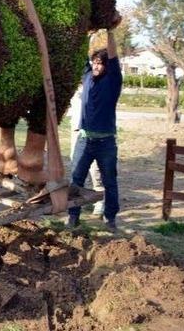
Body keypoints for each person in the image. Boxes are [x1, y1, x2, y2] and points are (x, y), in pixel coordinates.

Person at [68, 29, 122, 231]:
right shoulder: (88, 76)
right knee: (76, 180)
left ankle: (110, 218)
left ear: (108, 66)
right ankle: (73, 217)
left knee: (110, 181)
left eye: (101, 63)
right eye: (95, 63)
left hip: (106, 142)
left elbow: (114, 55)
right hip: (85, 141)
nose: (97, 66)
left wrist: (109, 32)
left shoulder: (113, 80)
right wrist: (87, 34)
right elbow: (82, 54)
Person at [69, 85, 105, 216]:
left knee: (95, 168)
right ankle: (76, 207)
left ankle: (100, 200)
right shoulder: (76, 86)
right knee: (76, 167)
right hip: (77, 130)